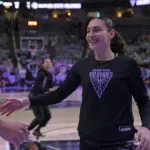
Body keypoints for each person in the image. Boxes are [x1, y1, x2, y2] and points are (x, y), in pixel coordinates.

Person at [0, 17, 150, 150]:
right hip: (88, 140)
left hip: (121, 140)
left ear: (111, 34)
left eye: (96, 30)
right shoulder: (81, 66)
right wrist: (25, 102)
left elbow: (143, 101)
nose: (91, 34)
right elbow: (58, 95)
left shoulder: (127, 64)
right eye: (88, 30)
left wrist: (146, 128)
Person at [28, 58, 53, 138]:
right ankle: (26, 131)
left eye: (50, 62)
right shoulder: (41, 74)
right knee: (40, 117)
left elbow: (50, 88)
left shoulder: (49, 75)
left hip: (43, 98)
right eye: (46, 62)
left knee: (48, 115)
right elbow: (37, 88)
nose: (49, 63)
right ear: (43, 64)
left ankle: (37, 130)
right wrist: (48, 90)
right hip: (35, 97)